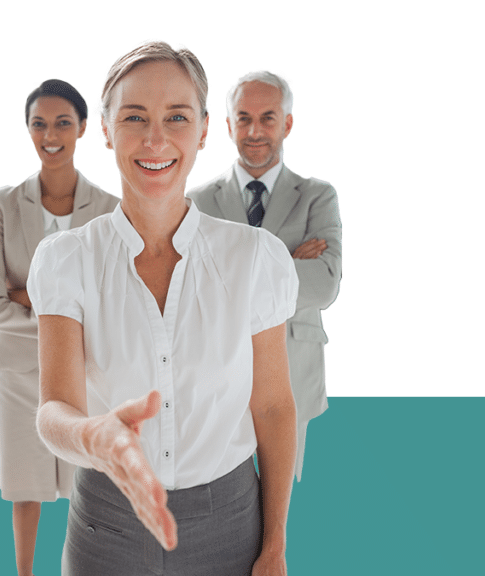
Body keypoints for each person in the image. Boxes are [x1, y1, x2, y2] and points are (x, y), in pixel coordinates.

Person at [28, 42, 299, 576]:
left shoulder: (252, 259)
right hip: (106, 524)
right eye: (134, 117)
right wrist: (90, 436)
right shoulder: (67, 259)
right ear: (105, 129)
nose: (156, 139)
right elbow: (54, 407)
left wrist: (275, 545)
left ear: (202, 130)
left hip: (233, 526)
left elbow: (272, 408)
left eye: (176, 116)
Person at [0, 79, 119, 576]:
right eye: (39, 123)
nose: (50, 134)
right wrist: (62, 314)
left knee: (91, 482)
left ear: (83, 128)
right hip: (18, 373)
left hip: (86, 371)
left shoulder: (106, 208)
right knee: (25, 487)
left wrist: (32, 298)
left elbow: (110, 303)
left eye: (62, 122)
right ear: (28, 131)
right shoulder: (2, 206)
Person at [188, 71, 342, 482]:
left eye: (267, 118)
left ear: (287, 123)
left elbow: (324, 283)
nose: (254, 131)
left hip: (293, 373)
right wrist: (286, 262)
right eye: (243, 118)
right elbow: (189, 286)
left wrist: (231, 272)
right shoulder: (197, 202)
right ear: (226, 125)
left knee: (279, 508)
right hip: (217, 377)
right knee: (223, 503)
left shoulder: (316, 197)